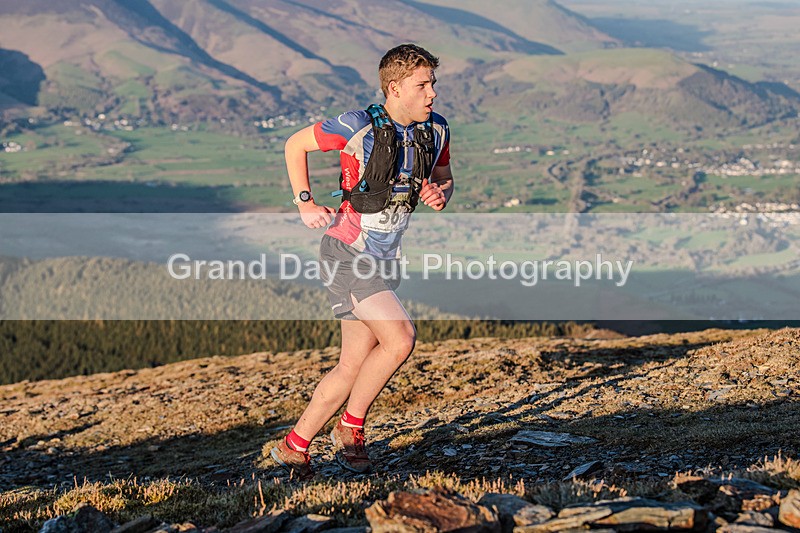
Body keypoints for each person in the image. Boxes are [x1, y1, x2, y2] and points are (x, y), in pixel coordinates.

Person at [270, 43, 454, 480]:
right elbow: (295, 145)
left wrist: (439, 194)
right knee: (400, 339)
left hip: (385, 257)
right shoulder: (357, 125)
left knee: (353, 365)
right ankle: (350, 428)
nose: (432, 94)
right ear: (395, 88)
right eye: (422, 85)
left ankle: (294, 446)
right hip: (348, 253)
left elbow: (445, 179)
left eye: (433, 84)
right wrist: (305, 202)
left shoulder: (437, 130)